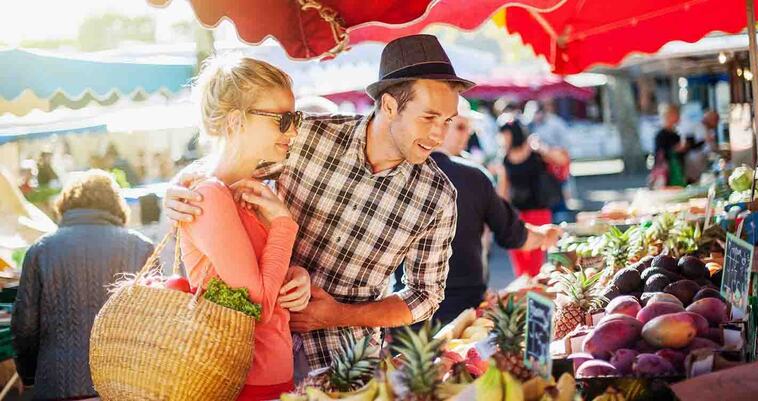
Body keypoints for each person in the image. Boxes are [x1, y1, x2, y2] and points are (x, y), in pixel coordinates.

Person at [163, 34, 472, 375]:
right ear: (388, 105)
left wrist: (338, 314)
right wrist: (180, 186)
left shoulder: (437, 197)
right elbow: (231, 165)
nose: (439, 136)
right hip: (255, 349)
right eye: (428, 118)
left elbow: (424, 296)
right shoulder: (307, 136)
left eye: (447, 121)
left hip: (345, 364)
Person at [178, 54, 312, 400]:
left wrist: (296, 275)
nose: (294, 130)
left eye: (294, 117)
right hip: (244, 383)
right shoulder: (210, 196)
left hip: (269, 377)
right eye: (282, 119)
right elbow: (256, 304)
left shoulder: (252, 190)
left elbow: (257, 275)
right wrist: (284, 226)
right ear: (236, 121)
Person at [12, 170, 154, 400]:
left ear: (66, 204)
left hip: (56, 385)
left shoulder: (41, 250)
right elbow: (157, 324)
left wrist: (28, 376)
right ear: (117, 205)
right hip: (125, 386)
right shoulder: (142, 248)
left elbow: (25, 326)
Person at [427, 100, 562, 322]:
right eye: (460, 127)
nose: (466, 135)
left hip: (406, 310)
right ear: (439, 126)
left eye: (469, 129)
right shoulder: (474, 177)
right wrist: (545, 236)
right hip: (462, 306)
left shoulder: (399, 174)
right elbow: (512, 233)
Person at [497, 121, 563, 277]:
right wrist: (501, 215)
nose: (502, 139)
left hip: (539, 212)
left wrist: (540, 147)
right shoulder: (505, 159)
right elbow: (503, 189)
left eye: (505, 135)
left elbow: (561, 160)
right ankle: (524, 296)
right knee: (519, 264)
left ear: (514, 134)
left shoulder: (535, 152)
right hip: (517, 215)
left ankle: (533, 296)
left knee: (535, 264)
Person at [652, 104, 688, 187]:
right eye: (677, 114)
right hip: (667, 174)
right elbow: (660, 154)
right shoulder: (661, 135)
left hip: (677, 172)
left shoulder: (676, 134)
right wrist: (675, 149)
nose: (679, 117)